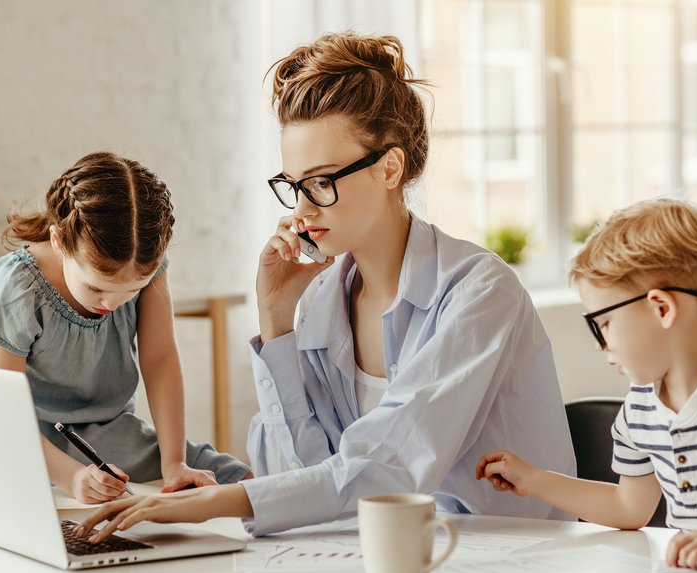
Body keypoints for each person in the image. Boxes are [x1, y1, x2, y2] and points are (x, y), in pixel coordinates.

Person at [75, 32, 574, 542]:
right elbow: (300, 479)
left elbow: (387, 470)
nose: (301, 210)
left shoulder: (480, 293)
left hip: (511, 559)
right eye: (294, 185)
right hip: (385, 557)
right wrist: (275, 325)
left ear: (390, 166)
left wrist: (216, 502)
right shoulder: (318, 300)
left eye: (320, 182)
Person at [476, 198, 697, 569]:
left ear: (662, 308)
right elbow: (629, 508)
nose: (601, 344)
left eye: (605, 324)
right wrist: (534, 479)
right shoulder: (639, 412)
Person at [0, 152, 251, 504]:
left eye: (132, 289)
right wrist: (71, 477)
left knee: (242, 481)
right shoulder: (15, 287)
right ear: (58, 241)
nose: (111, 304)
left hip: (114, 434)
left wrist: (174, 461)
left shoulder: (148, 266)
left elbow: (159, 359)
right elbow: (1, 408)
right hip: (26, 439)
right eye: (96, 288)